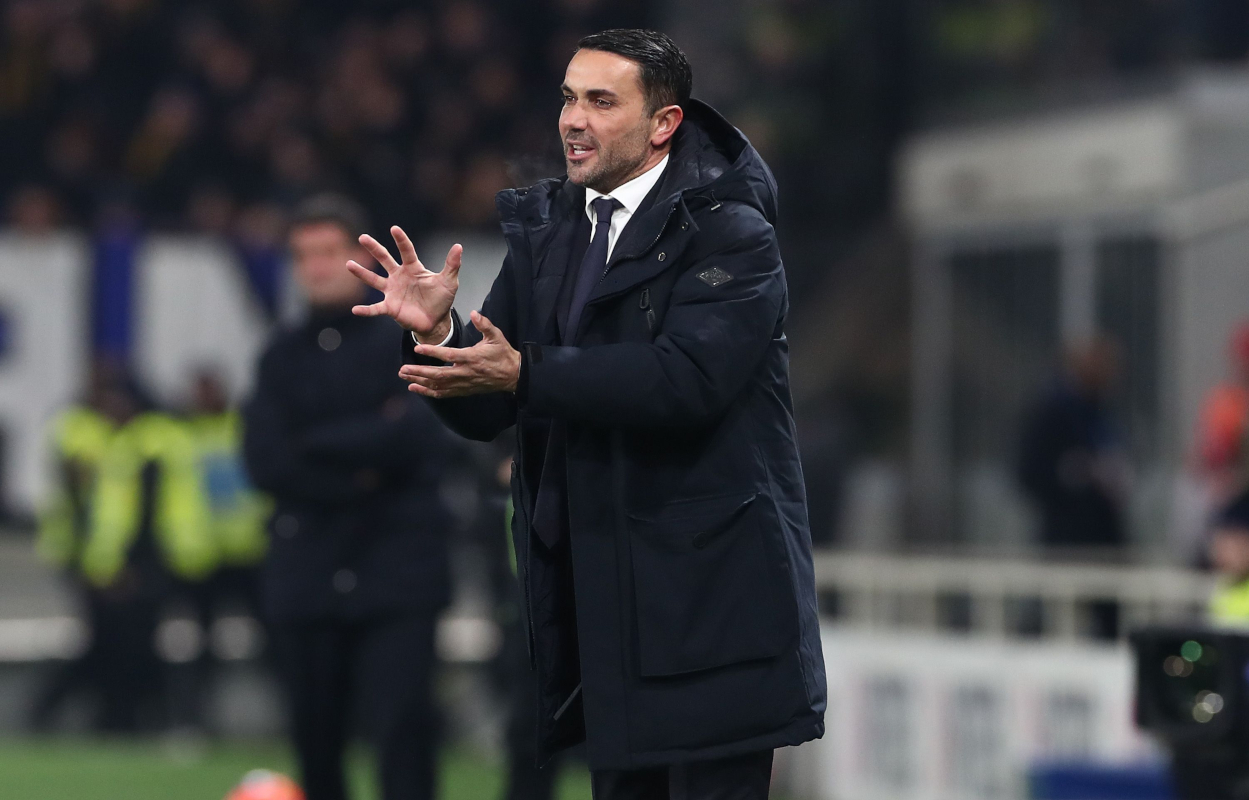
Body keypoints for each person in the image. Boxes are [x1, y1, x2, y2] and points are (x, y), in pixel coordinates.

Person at [349, 29, 826, 800]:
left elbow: (685, 381)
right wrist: (440, 334)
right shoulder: (554, 236)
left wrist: (524, 371)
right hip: (603, 605)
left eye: (601, 101)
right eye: (568, 97)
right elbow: (492, 403)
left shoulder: (733, 231)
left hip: (713, 607)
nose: (573, 119)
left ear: (662, 124)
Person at [242, 194, 456, 800]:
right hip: (307, 579)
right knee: (316, 746)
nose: (315, 266)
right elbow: (265, 462)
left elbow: (419, 435)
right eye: (303, 254)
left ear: (364, 255)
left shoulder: (405, 339)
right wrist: (364, 461)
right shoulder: (279, 355)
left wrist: (315, 445)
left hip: (396, 573)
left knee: (404, 740)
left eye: (328, 251)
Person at [34, 361, 217, 732]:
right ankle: (123, 719)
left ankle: (138, 719)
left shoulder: (150, 441)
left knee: (136, 646)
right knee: (115, 645)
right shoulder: (102, 436)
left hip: (154, 562)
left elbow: (151, 512)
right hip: (108, 563)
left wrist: (136, 564)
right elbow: (92, 512)